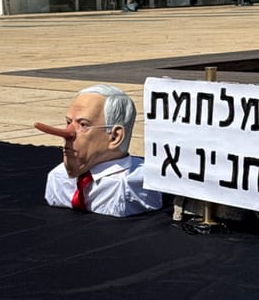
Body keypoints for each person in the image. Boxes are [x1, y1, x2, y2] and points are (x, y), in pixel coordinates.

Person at [35, 84, 163, 217]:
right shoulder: (58, 177)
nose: (67, 133)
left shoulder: (133, 186)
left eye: (83, 125)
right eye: (68, 122)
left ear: (115, 137)